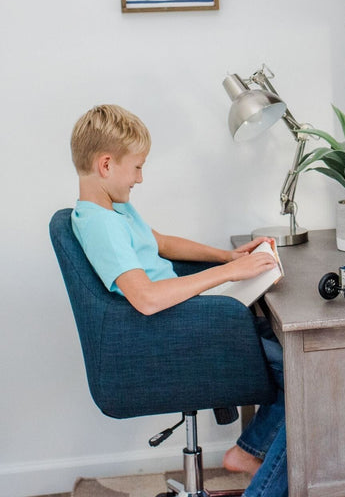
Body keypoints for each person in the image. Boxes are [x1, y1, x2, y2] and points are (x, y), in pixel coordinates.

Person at [69, 104, 287, 497]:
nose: (139, 178)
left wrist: (230, 257)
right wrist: (228, 275)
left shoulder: (115, 209)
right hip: (166, 337)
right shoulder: (100, 225)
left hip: (187, 322)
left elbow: (163, 244)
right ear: (106, 165)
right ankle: (262, 481)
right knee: (306, 371)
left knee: (288, 355)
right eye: (136, 167)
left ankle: (248, 451)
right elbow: (148, 299)